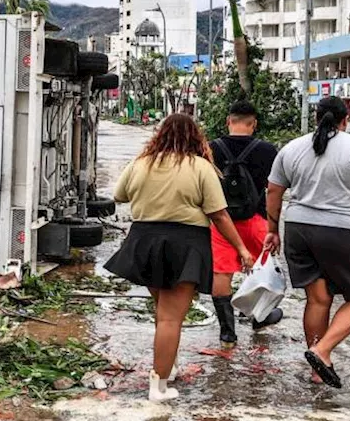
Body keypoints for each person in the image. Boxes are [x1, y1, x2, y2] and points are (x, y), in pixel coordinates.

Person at [106, 113, 255, 402]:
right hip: (184, 243)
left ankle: (167, 366)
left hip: (143, 241)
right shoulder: (200, 166)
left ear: (159, 134)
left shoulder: (141, 163)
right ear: (196, 137)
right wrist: (241, 249)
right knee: (170, 319)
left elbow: (119, 194)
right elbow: (219, 214)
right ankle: (158, 386)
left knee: (163, 311)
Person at [263, 96, 350, 389]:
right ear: (345, 120)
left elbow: (274, 190)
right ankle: (322, 350)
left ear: (316, 118)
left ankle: (319, 369)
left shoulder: (291, 148)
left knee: (318, 299)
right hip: (346, 231)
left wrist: (272, 230)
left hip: (299, 230)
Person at [208, 101, 281, 348]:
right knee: (263, 271)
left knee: (222, 273)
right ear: (254, 124)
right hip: (258, 220)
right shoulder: (268, 150)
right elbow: (274, 190)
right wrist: (274, 227)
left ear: (229, 120)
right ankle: (259, 318)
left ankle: (227, 333)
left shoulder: (211, 148)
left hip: (222, 222)